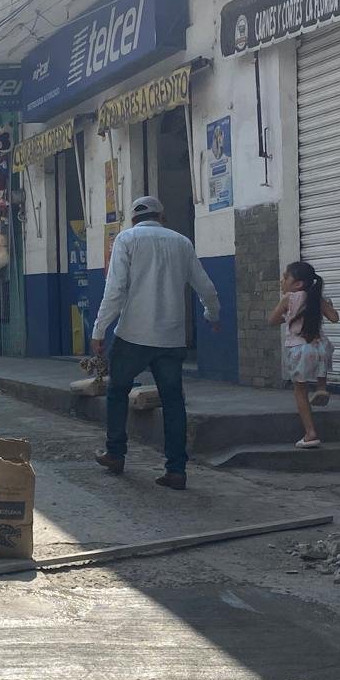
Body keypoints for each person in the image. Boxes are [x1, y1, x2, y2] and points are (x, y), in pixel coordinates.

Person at [91, 195, 220, 491]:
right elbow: (206, 286)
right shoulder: (182, 243)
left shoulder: (126, 240)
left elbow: (115, 290)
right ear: (162, 217)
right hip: (171, 337)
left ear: (133, 219)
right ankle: (176, 470)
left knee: (117, 391)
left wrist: (99, 330)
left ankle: (115, 453)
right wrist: (212, 315)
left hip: (133, 335)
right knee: (173, 401)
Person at [268, 260, 339, 449]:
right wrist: (327, 304)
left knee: (300, 390)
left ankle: (310, 433)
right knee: (319, 368)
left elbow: (272, 320)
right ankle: (322, 388)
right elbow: (334, 318)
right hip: (320, 348)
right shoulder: (316, 298)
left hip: (299, 348)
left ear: (298, 283)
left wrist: (287, 316)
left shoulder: (289, 299)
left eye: (285, 278)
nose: (281, 281)